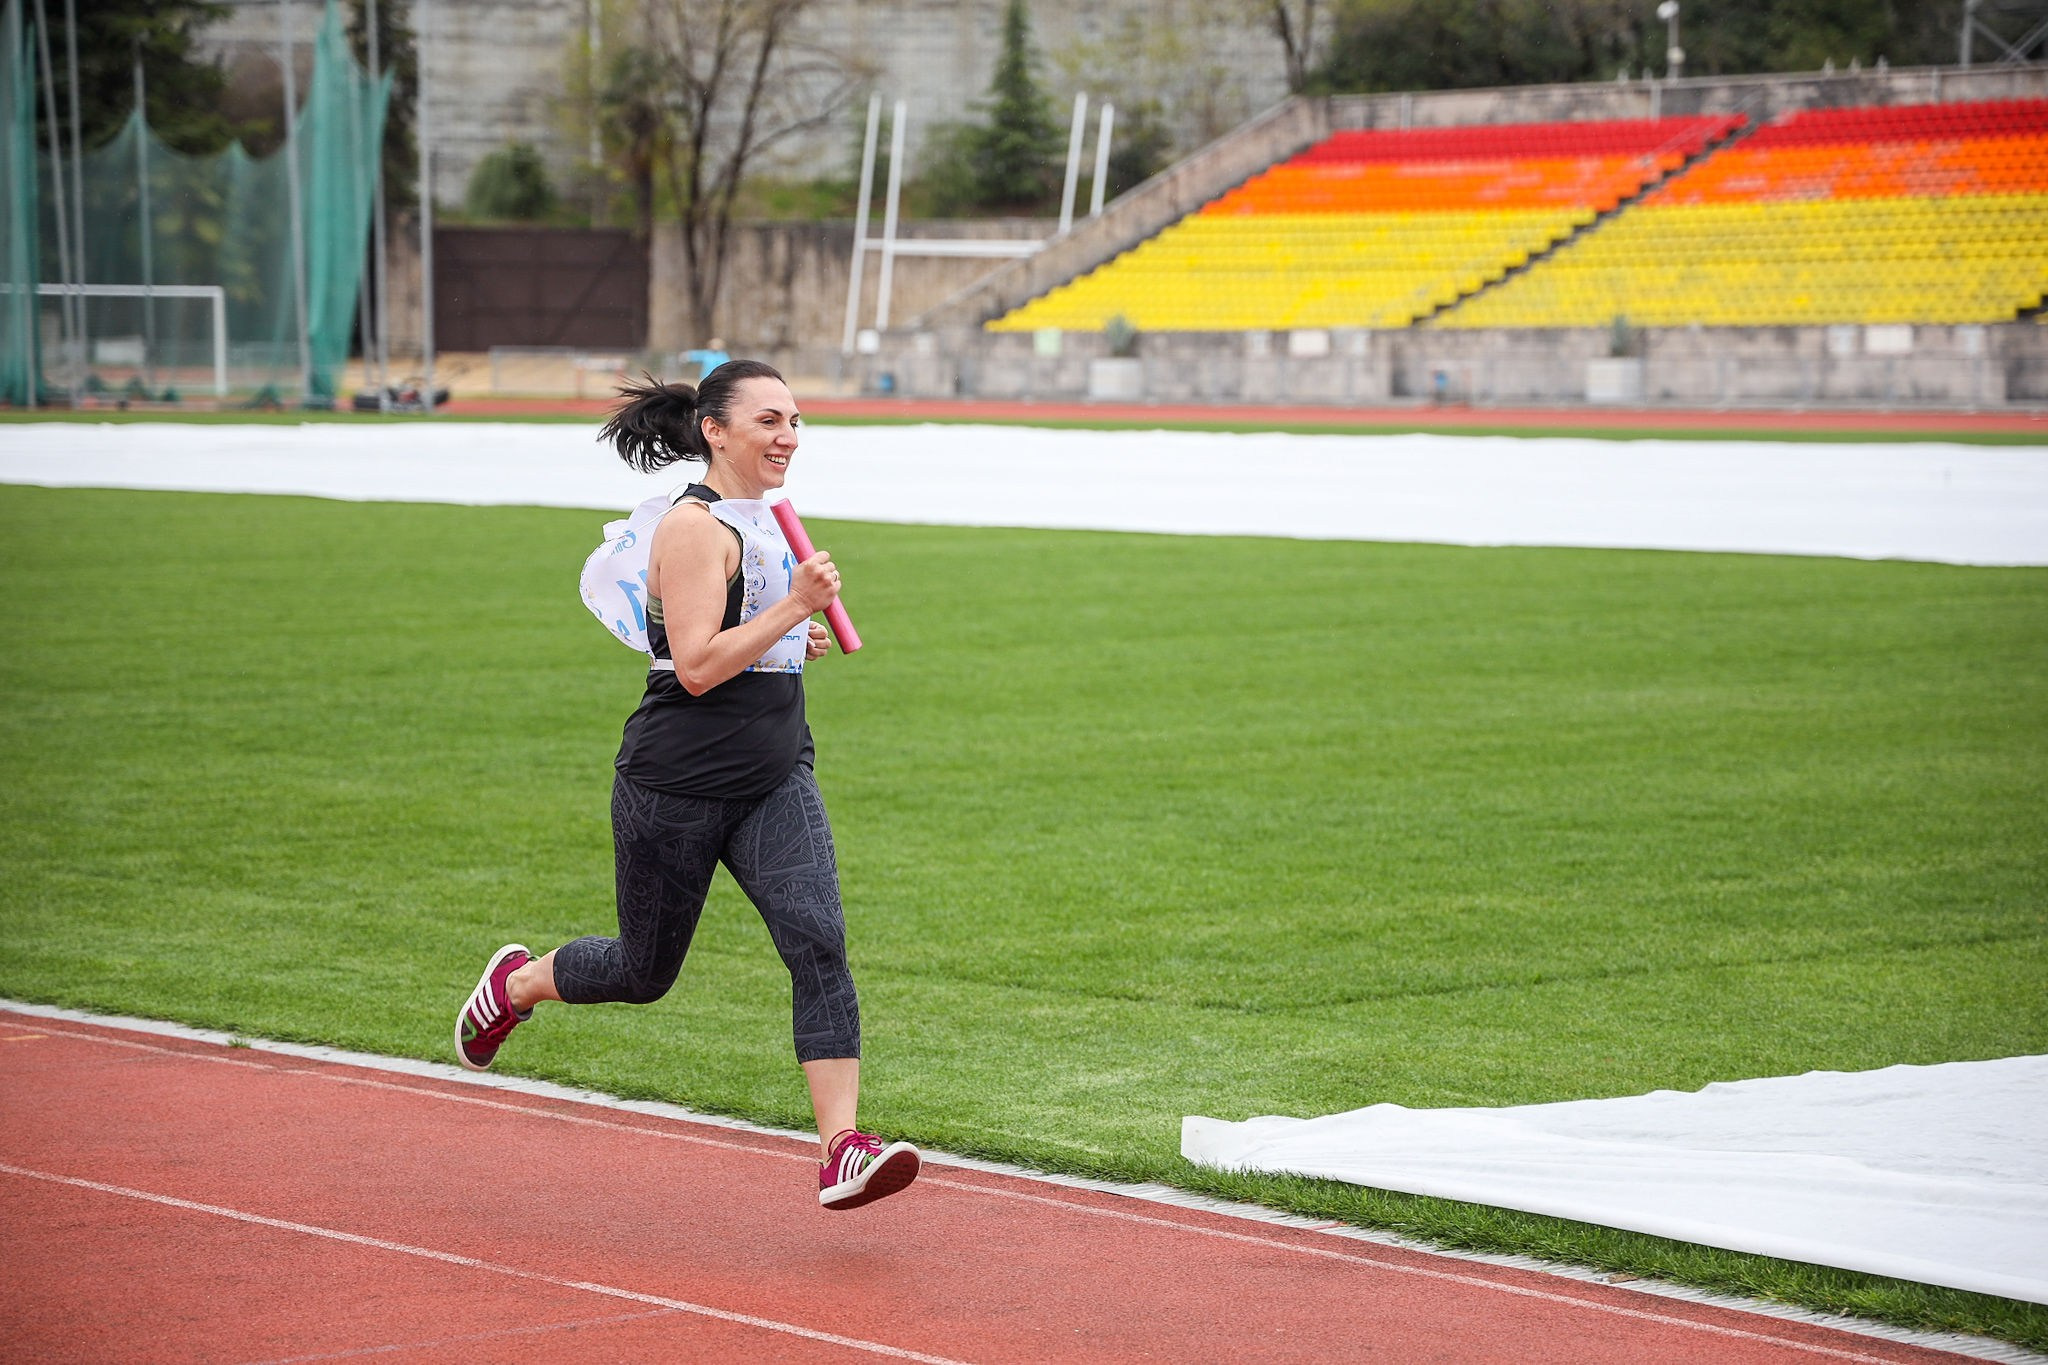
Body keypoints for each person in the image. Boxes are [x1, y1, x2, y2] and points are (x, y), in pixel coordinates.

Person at [455, 359, 919, 1212]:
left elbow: (738, 636)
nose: (788, 436)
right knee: (644, 968)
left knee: (818, 939)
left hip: (775, 773)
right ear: (716, 430)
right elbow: (698, 667)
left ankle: (841, 1148)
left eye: (794, 420)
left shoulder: (767, 518)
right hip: (676, 783)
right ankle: (516, 984)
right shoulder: (696, 527)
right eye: (769, 420)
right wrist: (796, 609)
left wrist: (791, 642)